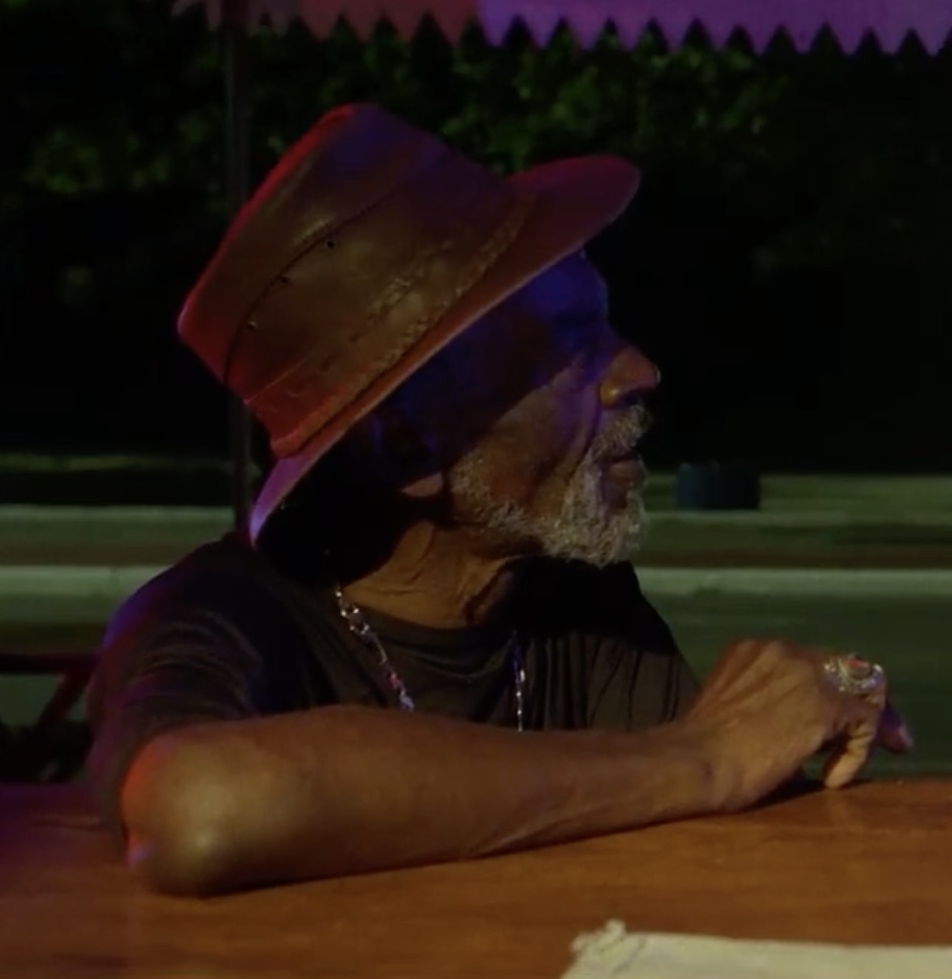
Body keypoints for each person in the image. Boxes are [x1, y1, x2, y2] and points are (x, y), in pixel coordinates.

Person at [88, 106, 909, 897]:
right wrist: (702, 755)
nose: (639, 371)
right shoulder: (215, 618)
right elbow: (199, 806)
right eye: (571, 343)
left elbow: (701, 829)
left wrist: (791, 714)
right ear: (410, 448)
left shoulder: (576, 603)